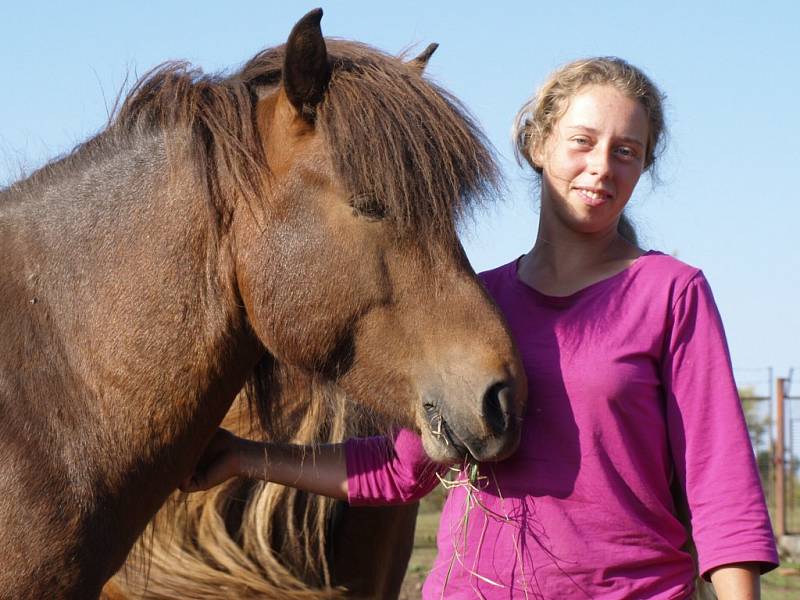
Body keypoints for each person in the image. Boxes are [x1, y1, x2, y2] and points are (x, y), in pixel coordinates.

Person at [181, 57, 779, 599]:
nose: (601, 167)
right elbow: (400, 469)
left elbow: (720, 485)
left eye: (627, 151)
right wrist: (244, 457)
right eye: (583, 141)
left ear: (644, 166)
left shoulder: (670, 293)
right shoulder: (478, 301)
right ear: (538, 144)